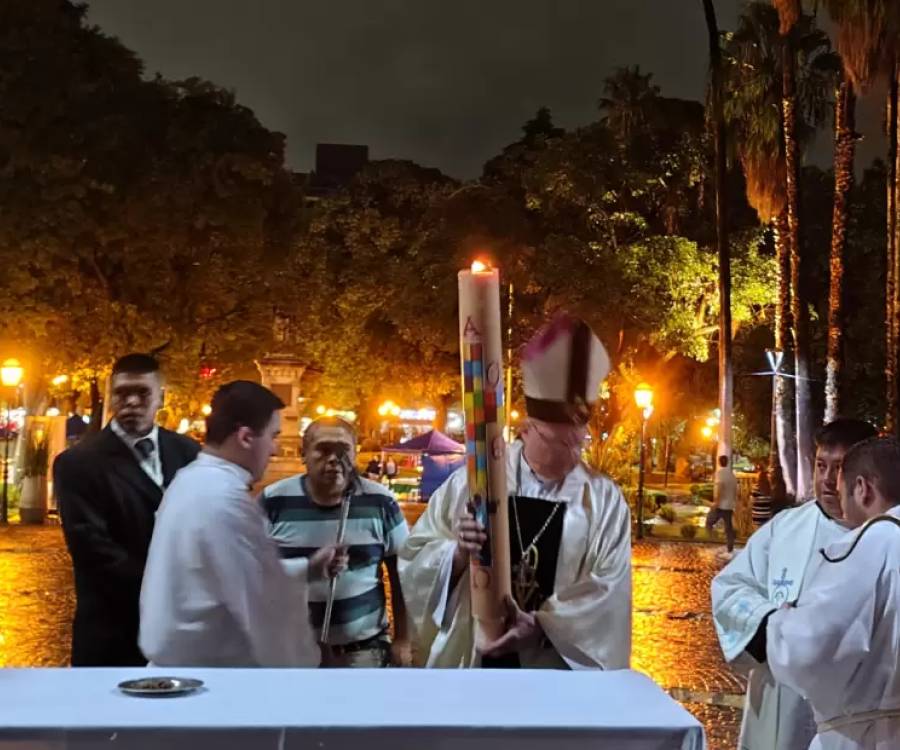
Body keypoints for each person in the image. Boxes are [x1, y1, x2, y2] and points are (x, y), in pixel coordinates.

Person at [399, 313, 631, 669]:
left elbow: (608, 593)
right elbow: (414, 557)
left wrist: (542, 625)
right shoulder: (473, 483)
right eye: (558, 439)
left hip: (554, 670)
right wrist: (457, 553)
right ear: (526, 429)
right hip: (474, 660)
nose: (574, 449)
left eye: (579, 437)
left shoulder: (604, 501)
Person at [140, 381, 341, 667]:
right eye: (273, 436)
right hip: (209, 676)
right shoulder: (225, 500)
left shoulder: (189, 481)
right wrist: (309, 660)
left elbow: (225, 569)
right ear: (246, 437)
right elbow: (256, 599)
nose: (274, 450)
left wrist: (308, 569)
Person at [711, 418, 878, 750]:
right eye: (820, 466)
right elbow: (731, 585)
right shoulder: (787, 527)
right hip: (780, 696)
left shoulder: (885, 536)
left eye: (840, 467)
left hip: (853, 711)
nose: (828, 480)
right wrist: (765, 627)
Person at [55, 354, 200, 666]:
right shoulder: (77, 464)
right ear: (110, 397)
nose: (132, 401)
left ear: (161, 397)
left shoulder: (189, 453)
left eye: (143, 393)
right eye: (122, 393)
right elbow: (90, 546)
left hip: (182, 635)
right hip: (112, 632)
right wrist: (166, 587)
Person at [767, 437, 900, 750]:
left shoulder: (872, 543)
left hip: (864, 736)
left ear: (862, 489)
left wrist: (781, 621)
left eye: (842, 492)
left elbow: (809, 649)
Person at [262, 416, 410, 667]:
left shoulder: (381, 502)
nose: (333, 459)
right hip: (291, 653)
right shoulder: (274, 501)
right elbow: (254, 573)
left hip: (364, 652)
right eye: (323, 450)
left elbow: (402, 574)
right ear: (304, 454)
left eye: (343, 450)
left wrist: (402, 640)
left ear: (355, 454)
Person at [707, 455, 737, 558]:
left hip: (721, 505)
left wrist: (716, 502)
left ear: (719, 462)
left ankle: (712, 540)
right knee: (729, 528)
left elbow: (719, 487)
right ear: (727, 462)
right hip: (729, 505)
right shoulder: (732, 475)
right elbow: (735, 490)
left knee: (709, 521)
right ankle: (730, 548)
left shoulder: (720, 474)